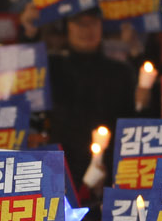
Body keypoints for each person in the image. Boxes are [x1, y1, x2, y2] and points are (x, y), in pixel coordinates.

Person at [44, 11, 137, 176]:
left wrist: (144, 100)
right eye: (80, 23)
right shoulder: (52, 68)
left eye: (93, 22)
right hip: (61, 169)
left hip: (111, 169)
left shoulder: (121, 72)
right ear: (68, 27)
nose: (87, 30)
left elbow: (133, 120)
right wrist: (29, 33)